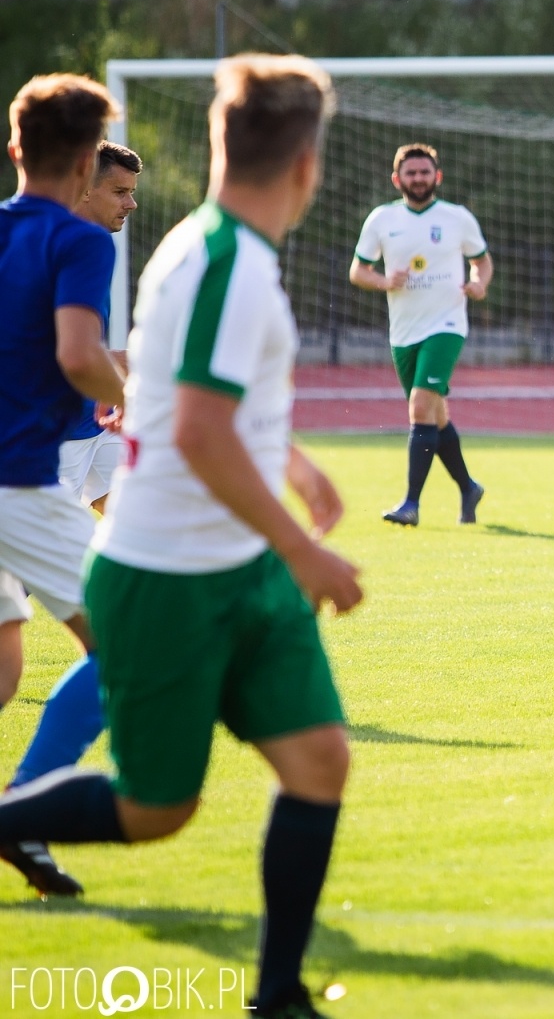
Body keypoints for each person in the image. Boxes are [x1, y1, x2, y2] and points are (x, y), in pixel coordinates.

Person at [0, 54, 362, 1019]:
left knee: (320, 760)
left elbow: (196, 399)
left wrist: (290, 459)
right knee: (156, 809)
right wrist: (305, 547)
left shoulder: (209, 245)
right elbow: (195, 427)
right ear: (307, 166)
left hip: (235, 570)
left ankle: (278, 994)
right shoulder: (225, 262)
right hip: (165, 573)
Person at [0, 74, 127, 896]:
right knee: (133, 643)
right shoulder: (80, 242)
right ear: (86, 164)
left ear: (15, 148)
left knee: (3, 665)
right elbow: (81, 355)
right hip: (15, 484)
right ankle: (20, 814)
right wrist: (135, 398)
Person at [350, 142, 491, 526]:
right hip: (403, 332)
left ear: (437, 177)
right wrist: (383, 281)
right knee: (435, 415)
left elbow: (481, 261)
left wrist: (479, 284)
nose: (418, 179)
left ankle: (411, 504)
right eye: (411, 173)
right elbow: (358, 271)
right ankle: (468, 487)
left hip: (447, 325)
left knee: (419, 406)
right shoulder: (381, 219)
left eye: (424, 172)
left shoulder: (456, 217)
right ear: (397, 179)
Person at [59, 141, 140, 512]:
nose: (131, 204)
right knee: (50, 560)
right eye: (120, 192)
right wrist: (116, 362)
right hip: (55, 432)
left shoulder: (96, 245)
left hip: (95, 420)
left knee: (141, 522)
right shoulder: (55, 245)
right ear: (87, 188)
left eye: (132, 193)